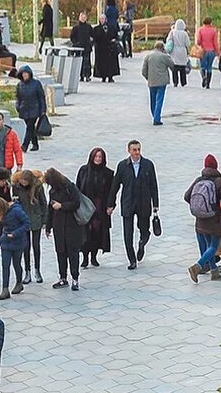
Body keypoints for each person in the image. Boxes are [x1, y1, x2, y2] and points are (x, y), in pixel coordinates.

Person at [107, 140, 159, 270]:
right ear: (129, 151)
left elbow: (154, 185)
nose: (137, 152)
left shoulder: (148, 165)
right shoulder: (123, 166)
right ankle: (132, 259)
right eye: (134, 150)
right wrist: (110, 204)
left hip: (144, 202)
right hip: (128, 202)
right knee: (127, 233)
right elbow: (115, 186)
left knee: (144, 229)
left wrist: (155, 204)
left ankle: (142, 243)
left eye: (138, 150)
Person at [184, 154, 221, 283]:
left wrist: (199, 207)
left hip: (200, 219)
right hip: (214, 220)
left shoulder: (199, 180)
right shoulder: (218, 181)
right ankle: (197, 266)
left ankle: (214, 271)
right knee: (213, 246)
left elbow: (186, 196)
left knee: (207, 245)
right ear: (216, 166)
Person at [43, 167, 84, 291]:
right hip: (58, 226)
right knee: (60, 252)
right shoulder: (52, 191)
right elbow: (50, 209)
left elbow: (77, 203)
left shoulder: (69, 187)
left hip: (72, 226)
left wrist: (62, 206)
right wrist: (48, 226)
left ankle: (75, 278)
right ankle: (63, 277)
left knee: (73, 252)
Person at [76, 147, 114, 267]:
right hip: (87, 205)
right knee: (86, 231)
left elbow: (111, 191)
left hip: (100, 206)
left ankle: (94, 256)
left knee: (98, 231)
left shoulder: (108, 173)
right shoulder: (84, 170)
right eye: (96, 156)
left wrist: (110, 205)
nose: (98, 159)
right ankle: (85, 257)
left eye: (100, 157)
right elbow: (78, 188)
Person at [0, 197, 29, 300]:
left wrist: (15, 233)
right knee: (5, 265)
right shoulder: (1, 214)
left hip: (18, 242)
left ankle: (19, 282)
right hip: (5, 242)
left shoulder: (16, 211)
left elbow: (27, 224)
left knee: (16, 264)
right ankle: (5, 289)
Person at [11, 170, 47, 284]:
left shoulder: (37, 187)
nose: (23, 183)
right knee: (25, 246)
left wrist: (44, 220)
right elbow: (14, 202)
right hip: (23, 219)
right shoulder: (16, 187)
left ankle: (37, 270)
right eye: (22, 181)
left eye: (25, 181)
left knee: (36, 245)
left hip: (36, 218)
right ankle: (27, 271)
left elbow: (43, 203)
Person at [13, 66, 47, 152]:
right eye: (23, 73)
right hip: (24, 109)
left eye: (26, 73)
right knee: (31, 128)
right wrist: (18, 106)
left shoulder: (36, 83)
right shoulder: (20, 85)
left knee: (29, 127)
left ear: (29, 74)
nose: (24, 75)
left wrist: (43, 110)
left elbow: (41, 97)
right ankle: (35, 144)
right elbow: (18, 97)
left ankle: (24, 146)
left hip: (34, 109)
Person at [140, 40, 174, 126]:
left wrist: (148, 77)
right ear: (162, 48)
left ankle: (154, 116)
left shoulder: (148, 56)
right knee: (159, 100)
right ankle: (157, 118)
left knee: (153, 100)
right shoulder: (164, 56)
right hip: (162, 82)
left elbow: (144, 71)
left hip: (152, 81)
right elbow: (172, 66)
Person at [92, 13, 121, 83]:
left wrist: (114, 40)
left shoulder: (111, 27)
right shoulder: (96, 29)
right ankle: (103, 77)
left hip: (110, 48)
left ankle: (110, 77)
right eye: (101, 19)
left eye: (103, 19)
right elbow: (94, 38)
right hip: (101, 49)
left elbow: (116, 36)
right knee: (102, 64)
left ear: (106, 19)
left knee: (111, 63)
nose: (102, 20)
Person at [165, 18, 193, 87]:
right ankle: (183, 82)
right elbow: (188, 43)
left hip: (175, 50)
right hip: (183, 51)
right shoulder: (185, 33)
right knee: (182, 67)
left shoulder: (172, 32)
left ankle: (175, 82)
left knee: (175, 67)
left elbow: (168, 40)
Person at [195, 17, 221, 89]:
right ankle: (208, 84)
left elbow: (198, 41)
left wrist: (199, 45)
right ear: (210, 22)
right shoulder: (214, 31)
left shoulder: (200, 30)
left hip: (203, 51)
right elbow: (216, 43)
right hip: (211, 51)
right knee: (209, 67)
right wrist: (218, 52)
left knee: (202, 66)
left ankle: (204, 77)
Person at [69, 11, 95, 82]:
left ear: (86, 18)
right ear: (79, 18)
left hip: (87, 47)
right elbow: (72, 37)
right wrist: (76, 43)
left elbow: (93, 36)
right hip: (78, 48)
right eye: (82, 17)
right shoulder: (76, 27)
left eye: (84, 17)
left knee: (87, 62)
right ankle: (81, 76)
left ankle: (87, 76)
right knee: (80, 62)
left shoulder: (88, 27)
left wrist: (91, 43)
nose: (83, 19)